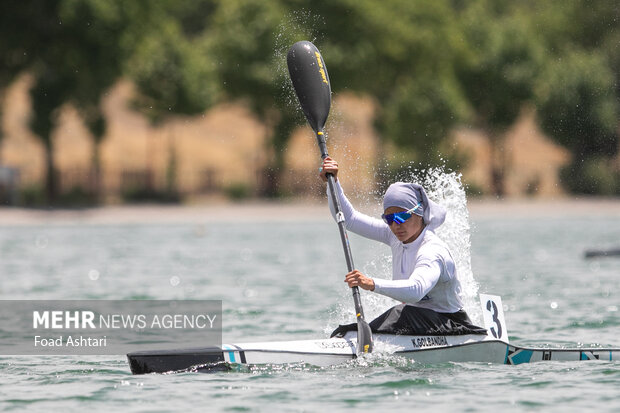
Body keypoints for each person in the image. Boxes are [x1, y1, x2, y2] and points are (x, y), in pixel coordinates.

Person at [319, 157, 485, 337]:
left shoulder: (432, 250)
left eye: (401, 217)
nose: (395, 225)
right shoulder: (394, 235)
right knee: (394, 315)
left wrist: (372, 283)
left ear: (419, 213)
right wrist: (333, 184)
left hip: (451, 324)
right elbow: (348, 219)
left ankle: (362, 337)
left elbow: (415, 290)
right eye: (389, 219)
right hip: (417, 320)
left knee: (400, 313)